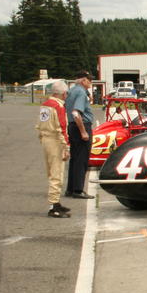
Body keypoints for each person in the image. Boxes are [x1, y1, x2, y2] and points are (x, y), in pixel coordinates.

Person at [36, 81, 71, 217]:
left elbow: (39, 124)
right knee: (57, 174)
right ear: (63, 93)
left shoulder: (45, 105)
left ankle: (56, 202)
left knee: (51, 171)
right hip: (56, 140)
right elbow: (62, 128)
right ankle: (53, 206)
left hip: (46, 139)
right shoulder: (58, 106)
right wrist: (66, 147)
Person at [65, 70, 96, 199]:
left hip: (72, 126)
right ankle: (78, 189)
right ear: (83, 80)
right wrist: (83, 131)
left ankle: (71, 188)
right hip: (80, 126)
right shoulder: (81, 93)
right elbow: (76, 113)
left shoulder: (72, 90)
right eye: (89, 80)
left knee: (74, 158)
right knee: (81, 159)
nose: (91, 82)